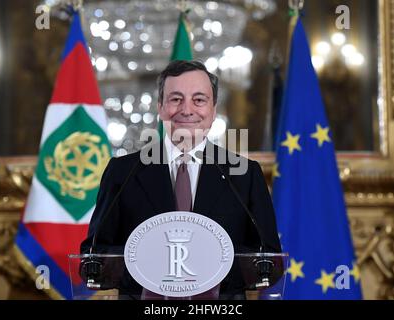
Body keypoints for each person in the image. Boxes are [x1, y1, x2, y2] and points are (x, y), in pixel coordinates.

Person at [80, 60, 281, 299]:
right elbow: (94, 255)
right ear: (161, 108)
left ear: (213, 110)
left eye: (199, 100)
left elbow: (268, 259)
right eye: (176, 99)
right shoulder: (123, 172)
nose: (187, 110)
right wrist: (150, 266)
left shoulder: (245, 174)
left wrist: (208, 268)